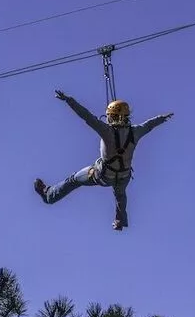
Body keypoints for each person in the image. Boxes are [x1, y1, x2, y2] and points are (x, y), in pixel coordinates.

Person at [34, 89, 173, 231]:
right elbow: (149, 125)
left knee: (73, 180)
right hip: (124, 176)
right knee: (120, 195)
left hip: (103, 175)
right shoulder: (135, 131)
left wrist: (69, 100)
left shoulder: (106, 131)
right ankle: (120, 221)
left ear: (111, 117)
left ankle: (49, 195)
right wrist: (162, 118)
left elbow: (86, 116)